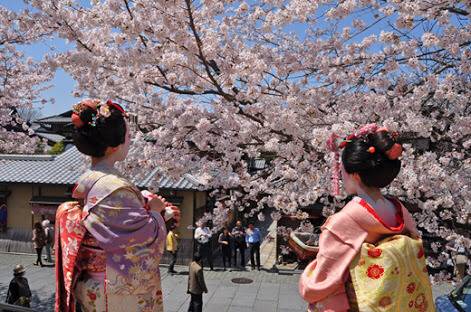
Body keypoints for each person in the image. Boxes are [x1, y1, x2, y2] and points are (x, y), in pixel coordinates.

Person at [55, 99, 180, 312]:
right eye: (128, 137)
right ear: (113, 147)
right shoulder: (113, 187)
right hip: (113, 287)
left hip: (95, 284)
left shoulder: (92, 180)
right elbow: (141, 240)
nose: (130, 141)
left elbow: (118, 222)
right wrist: (159, 213)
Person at [299, 125, 431, 312]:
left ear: (355, 175)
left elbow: (323, 285)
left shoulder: (342, 222)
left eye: (342, 170)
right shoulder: (399, 210)